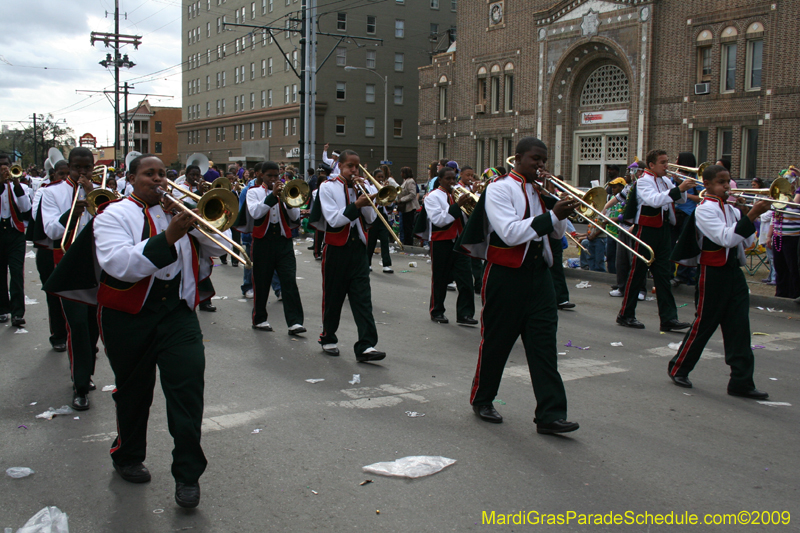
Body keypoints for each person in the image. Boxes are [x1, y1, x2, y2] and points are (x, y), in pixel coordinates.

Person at [90, 154, 225, 508]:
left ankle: (188, 476)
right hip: (129, 316)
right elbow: (119, 264)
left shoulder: (180, 210)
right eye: (149, 174)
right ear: (131, 178)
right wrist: (169, 236)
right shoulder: (114, 215)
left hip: (177, 314)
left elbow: (216, 247)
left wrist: (195, 223)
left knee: (188, 390)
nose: (157, 179)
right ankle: (128, 455)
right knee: (134, 392)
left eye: (162, 174)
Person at [457, 137, 580, 434]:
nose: (539, 165)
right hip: (505, 276)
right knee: (497, 342)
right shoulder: (499, 189)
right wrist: (551, 215)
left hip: (540, 277)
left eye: (543, 160)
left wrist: (558, 209)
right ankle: (482, 398)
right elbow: (510, 233)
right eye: (534, 159)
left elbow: (557, 232)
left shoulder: (541, 191)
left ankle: (550, 414)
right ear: (518, 158)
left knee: (544, 347)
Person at [668, 164, 770, 400]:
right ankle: (679, 367)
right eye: (721, 182)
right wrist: (752, 215)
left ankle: (741, 381)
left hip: (733, 273)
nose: (727, 186)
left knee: (739, 328)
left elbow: (747, 243)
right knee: (704, 324)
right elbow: (725, 238)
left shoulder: (732, 210)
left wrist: (745, 214)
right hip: (712, 274)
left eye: (728, 181)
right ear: (708, 184)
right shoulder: (704, 210)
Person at [309, 150, 385, 361]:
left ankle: (366, 345)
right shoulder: (327, 187)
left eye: (357, 167)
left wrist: (368, 201)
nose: (354, 170)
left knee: (363, 298)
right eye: (350, 166)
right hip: (336, 248)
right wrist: (356, 205)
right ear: (340, 166)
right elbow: (333, 220)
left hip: (358, 248)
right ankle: (328, 337)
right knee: (334, 297)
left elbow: (370, 219)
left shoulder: (363, 187)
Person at [40, 147, 100, 410]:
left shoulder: (100, 191)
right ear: (69, 166)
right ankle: (80, 385)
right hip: (68, 262)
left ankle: (86, 371)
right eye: (78, 168)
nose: (83, 173)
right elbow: (51, 228)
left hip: (98, 264)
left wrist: (95, 198)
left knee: (93, 325)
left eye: (87, 168)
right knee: (77, 325)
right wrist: (74, 212)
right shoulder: (51, 192)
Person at [616, 149, 693, 331]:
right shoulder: (643, 182)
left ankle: (669, 319)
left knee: (664, 276)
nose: (667, 166)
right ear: (651, 165)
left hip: (664, 230)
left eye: (667, 162)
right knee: (637, 273)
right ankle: (626, 314)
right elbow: (654, 200)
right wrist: (678, 189)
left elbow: (680, 201)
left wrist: (681, 186)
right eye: (663, 162)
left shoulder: (666, 180)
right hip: (647, 230)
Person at [246, 161, 306, 334]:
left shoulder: (286, 191)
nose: (273, 179)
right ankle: (259, 319)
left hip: (283, 241)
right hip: (263, 242)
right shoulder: (254, 192)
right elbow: (256, 213)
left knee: (289, 280)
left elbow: (294, 215)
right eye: (270, 176)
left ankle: (294, 322)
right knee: (261, 281)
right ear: (261, 175)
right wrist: (272, 196)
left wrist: (287, 200)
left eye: (276, 176)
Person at [421, 166, 475, 325]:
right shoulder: (433, 197)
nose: (452, 182)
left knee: (466, 280)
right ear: (440, 180)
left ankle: (465, 314)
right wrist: (458, 206)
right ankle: (437, 311)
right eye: (448, 179)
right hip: (441, 242)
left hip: (460, 241)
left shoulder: (460, 193)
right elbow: (439, 220)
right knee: (440, 279)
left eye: (454, 178)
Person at [27, 159, 69, 350]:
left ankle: (80, 336)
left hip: (74, 249)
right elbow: (39, 219)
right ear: (53, 175)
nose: (65, 178)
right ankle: (59, 335)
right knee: (54, 294)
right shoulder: (45, 191)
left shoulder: (86, 190)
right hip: (50, 250)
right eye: (62, 174)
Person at [0, 154, 32, 328]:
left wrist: (16, 183)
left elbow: (25, 207)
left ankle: (18, 313)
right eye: (1, 166)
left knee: (16, 273)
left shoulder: (21, 187)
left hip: (15, 233)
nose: (4, 168)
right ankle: (2, 309)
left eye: (6, 165)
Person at [670, 152, 703, 287]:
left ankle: (682, 275)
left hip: (688, 214)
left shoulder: (694, 178)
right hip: (675, 213)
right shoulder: (676, 176)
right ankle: (670, 273)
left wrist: (684, 192)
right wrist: (677, 185)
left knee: (684, 244)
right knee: (670, 244)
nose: (675, 161)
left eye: (678, 159)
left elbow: (701, 197)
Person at [365, 168, 394, 274]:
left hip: (383, 216)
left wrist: (388, 193)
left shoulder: (385, 188)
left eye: (382, 177)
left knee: (385, 240)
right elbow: (370, 200)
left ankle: (386, 264)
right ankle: (367, 263)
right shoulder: (371, 188)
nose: (381, 179)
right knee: (371, 241)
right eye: (379, 177)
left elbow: (389, 204)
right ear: (374, 178)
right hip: (373, 216)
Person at [397, 166, 419, 246]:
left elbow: (412, 194)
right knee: (405, 226)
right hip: (405, 208)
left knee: (408, 226)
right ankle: (406, 241)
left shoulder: (410, 181)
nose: (401, 174)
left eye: (402, 173)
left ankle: (409, 242)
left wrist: (402, 199)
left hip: (410, 207)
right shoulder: (405, 181)